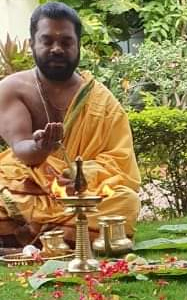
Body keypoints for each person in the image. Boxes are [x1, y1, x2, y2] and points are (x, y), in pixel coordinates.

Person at [0, 2, 141, 247]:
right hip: (28, 188)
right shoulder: (12, 89)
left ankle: (33, 236)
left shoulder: (101, 100)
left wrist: (82, 173)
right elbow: (22, 149)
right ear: (33, 43)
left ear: (78, 46)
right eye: (47, 41)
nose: (56, 49)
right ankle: (66, 237)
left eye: (66, 42)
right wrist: (41, 148)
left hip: (83, 194)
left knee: (125, 200)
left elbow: (120, 161)